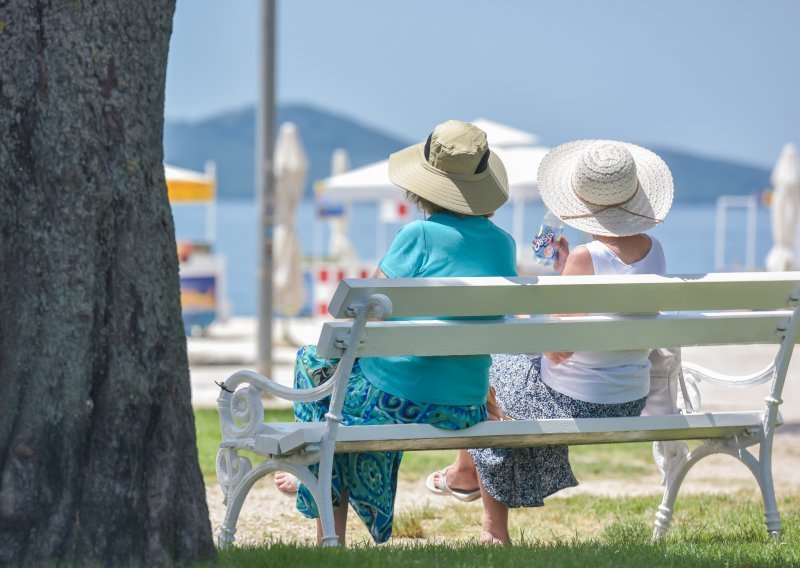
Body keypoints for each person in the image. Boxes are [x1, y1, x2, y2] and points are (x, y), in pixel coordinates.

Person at [278, 120, 518, 545]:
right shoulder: (503, 245)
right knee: (350, 396)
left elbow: (360, 311)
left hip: (404, 403)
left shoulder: (418, 235)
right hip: (465, 405)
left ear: (423, 186)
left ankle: (319, 501)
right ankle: (314, 470)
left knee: (312, 365)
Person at [427, 139, 674, 544]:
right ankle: (466, 473)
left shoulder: (585, 258)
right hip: (629, 398)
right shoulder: (655, 250)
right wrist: (565, 270)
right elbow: (594, 313)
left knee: (482, 372)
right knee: (501, 377)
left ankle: (489, 521)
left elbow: (555, 344)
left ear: (581, 203)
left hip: (578, 401)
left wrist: (525, 309)